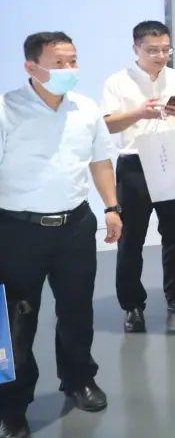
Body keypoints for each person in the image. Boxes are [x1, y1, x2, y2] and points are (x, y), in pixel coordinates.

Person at [0, 32, 123, 438]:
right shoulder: (6, 110)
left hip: (75, 226)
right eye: (59, 63)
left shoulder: (85, 109)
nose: (69, 70)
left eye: (73, 61)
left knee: (77, 309)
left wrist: (111, 207)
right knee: (18, 320)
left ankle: (79, 379)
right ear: (31, 67)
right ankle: (13, 405)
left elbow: (100, 161)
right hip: (18, 230)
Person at [101, 20, 175, 334]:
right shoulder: (118, 81)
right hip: (134, 164)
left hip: (171, 158)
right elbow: (108, 124)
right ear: (136, 48)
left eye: (165, 49)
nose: (160, 56)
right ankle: (132, 305)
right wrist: (139, 113)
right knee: (131, 239)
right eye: (152, 50)